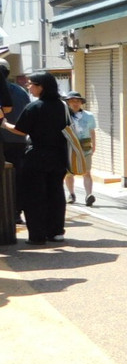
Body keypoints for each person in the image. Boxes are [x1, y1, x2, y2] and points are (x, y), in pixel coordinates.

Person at [0, 71, 68, 244]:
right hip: (59, 156)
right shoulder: (62, 106)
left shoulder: (34, 107)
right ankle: (56, 232)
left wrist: (4, 124)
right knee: (56, 194)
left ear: (41, 87)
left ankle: (37, 236)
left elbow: (21, 130)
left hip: (37, 156)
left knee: (35, 196)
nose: (28, 87)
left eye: (31, 84)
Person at [0, 60, 31, 221]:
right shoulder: (21, 91)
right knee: (18, 177)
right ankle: (17, 212)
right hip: (19, 140)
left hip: (3, 141)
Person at [63, 91, 96, 205]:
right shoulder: (64, 116)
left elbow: (92, 131)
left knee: (87, 171)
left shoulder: (89, 116)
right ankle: (71, 194)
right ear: (68, 103)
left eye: (77, 101)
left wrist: (93, 146)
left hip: (85, 145)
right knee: (69, 173)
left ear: (81, 102)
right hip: (70, 146)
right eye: (72, 101)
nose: (75, 103)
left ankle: (89, 195)